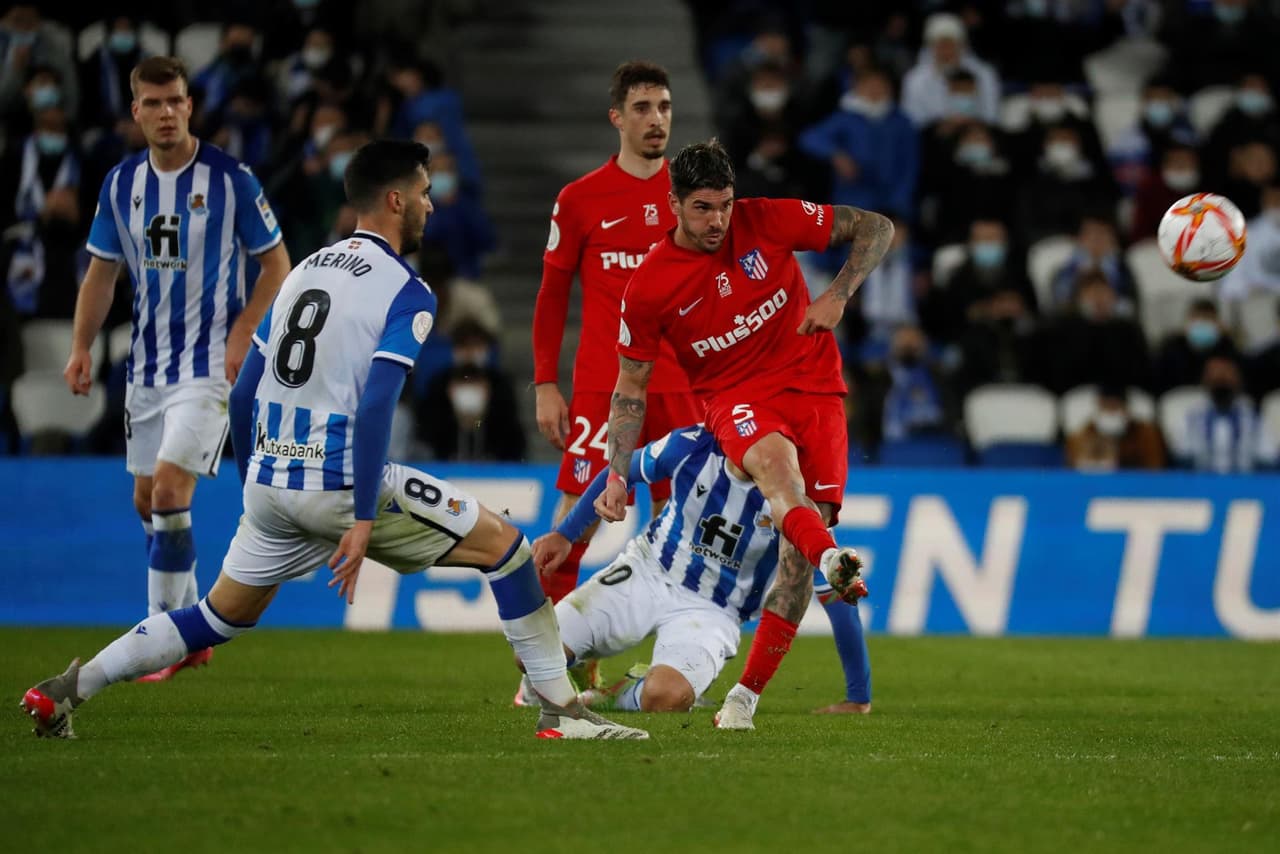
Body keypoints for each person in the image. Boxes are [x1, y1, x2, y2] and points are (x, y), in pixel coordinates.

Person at [21, 139, 647, 742]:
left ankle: (67, 688)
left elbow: (243, 394)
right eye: (424, 193)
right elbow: (376, 401)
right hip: (343, 484)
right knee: (508, 549)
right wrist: (364, 516)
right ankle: (561, 714)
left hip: (271, 481)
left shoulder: (302, 272)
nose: (432, 204)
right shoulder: (407, 290)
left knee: (215, 617)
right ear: (395, 201)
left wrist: (254, 488)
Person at [601, 138, 890, 730]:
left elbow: (878, 228)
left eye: (725, 205)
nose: (718, 220)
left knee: (795, 561)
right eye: (703, 207)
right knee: (781, 478)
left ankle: (744, 700)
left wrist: (837, 294)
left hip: (817, 388)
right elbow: (631, 387)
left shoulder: (766, 218)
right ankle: (831, 554)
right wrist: (613, 468)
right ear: (674, 204)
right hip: (737, 399)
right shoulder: (651, 284)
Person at [64, 57, 292, 679]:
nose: (166, 114)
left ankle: (162, 638)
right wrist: (82, 346)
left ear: (191, 106)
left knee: (168, 490)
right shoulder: (120, 184)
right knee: (148, 500)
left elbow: (277, 264)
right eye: (153, 104)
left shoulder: (230, 180)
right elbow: (101, 273)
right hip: (147, 369)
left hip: (211, 366)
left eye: (176, 102)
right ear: (135, 112)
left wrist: (245, 333)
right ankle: (191, 628)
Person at [527, 425, 871, 717]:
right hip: (649, 570)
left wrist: (858, 696)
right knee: (531, 653)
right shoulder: (693, 443)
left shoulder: (796, 500)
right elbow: (622, 469)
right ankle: (582, 657)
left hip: (714, 611)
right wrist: (565, 534)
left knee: (665, 697)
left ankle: (613, 695)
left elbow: (831, 592)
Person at [532, 61, 700, 606]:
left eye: (665, 107)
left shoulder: (696, 200)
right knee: (573, 525)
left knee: (689, 530)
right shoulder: (581, 199)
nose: (657, 119)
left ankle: (671, 662)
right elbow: (552, 296)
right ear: (617, 118)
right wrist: (544, 384)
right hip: (604, 385)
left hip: (683, 387)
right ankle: (546, 668)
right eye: (643, 108)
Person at [1065, 385, 1166, 472]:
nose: (1110, 413)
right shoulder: (1083, 434)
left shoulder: (1146, 434)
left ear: (1126, 409)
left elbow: (1155, 470)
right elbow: (1073, 470)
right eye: (1105, 407)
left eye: (1114, 407)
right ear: (1098, 407)